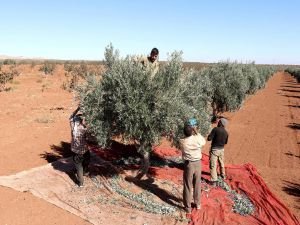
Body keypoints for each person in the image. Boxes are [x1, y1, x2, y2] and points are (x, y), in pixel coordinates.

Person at [179, 119, 206, 215]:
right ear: (193, 130)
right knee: (197, 184)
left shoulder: (182, 141)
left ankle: (188, 207)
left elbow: (185, 138)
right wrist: (196, 131)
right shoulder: (197, 139)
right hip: (198, 163)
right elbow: (203, 142)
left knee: (187, 186)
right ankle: (198, 204)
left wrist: (190, 131)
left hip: (188, 164)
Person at [69, 106, 90, 187]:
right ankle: (85, 172)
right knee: (86, 160)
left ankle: (81, 183)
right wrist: (85, 112)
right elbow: (86, 122)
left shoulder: (73, 128)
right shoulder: (84, 128)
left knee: (78, 167)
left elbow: (71, 116)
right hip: (84, 150)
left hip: (75, 151)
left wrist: (78, 108)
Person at [207, 118, 229, 184]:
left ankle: (214, 180)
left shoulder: (215, 129)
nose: (218, 122)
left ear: (221, 123)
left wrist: (210, 135)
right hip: (221, 149)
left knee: (213, 165)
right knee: (221, 163)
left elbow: (209, 138)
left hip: (214, 150)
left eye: (219, 121)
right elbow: (225, 142)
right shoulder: (226, 132)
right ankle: (223, 175)